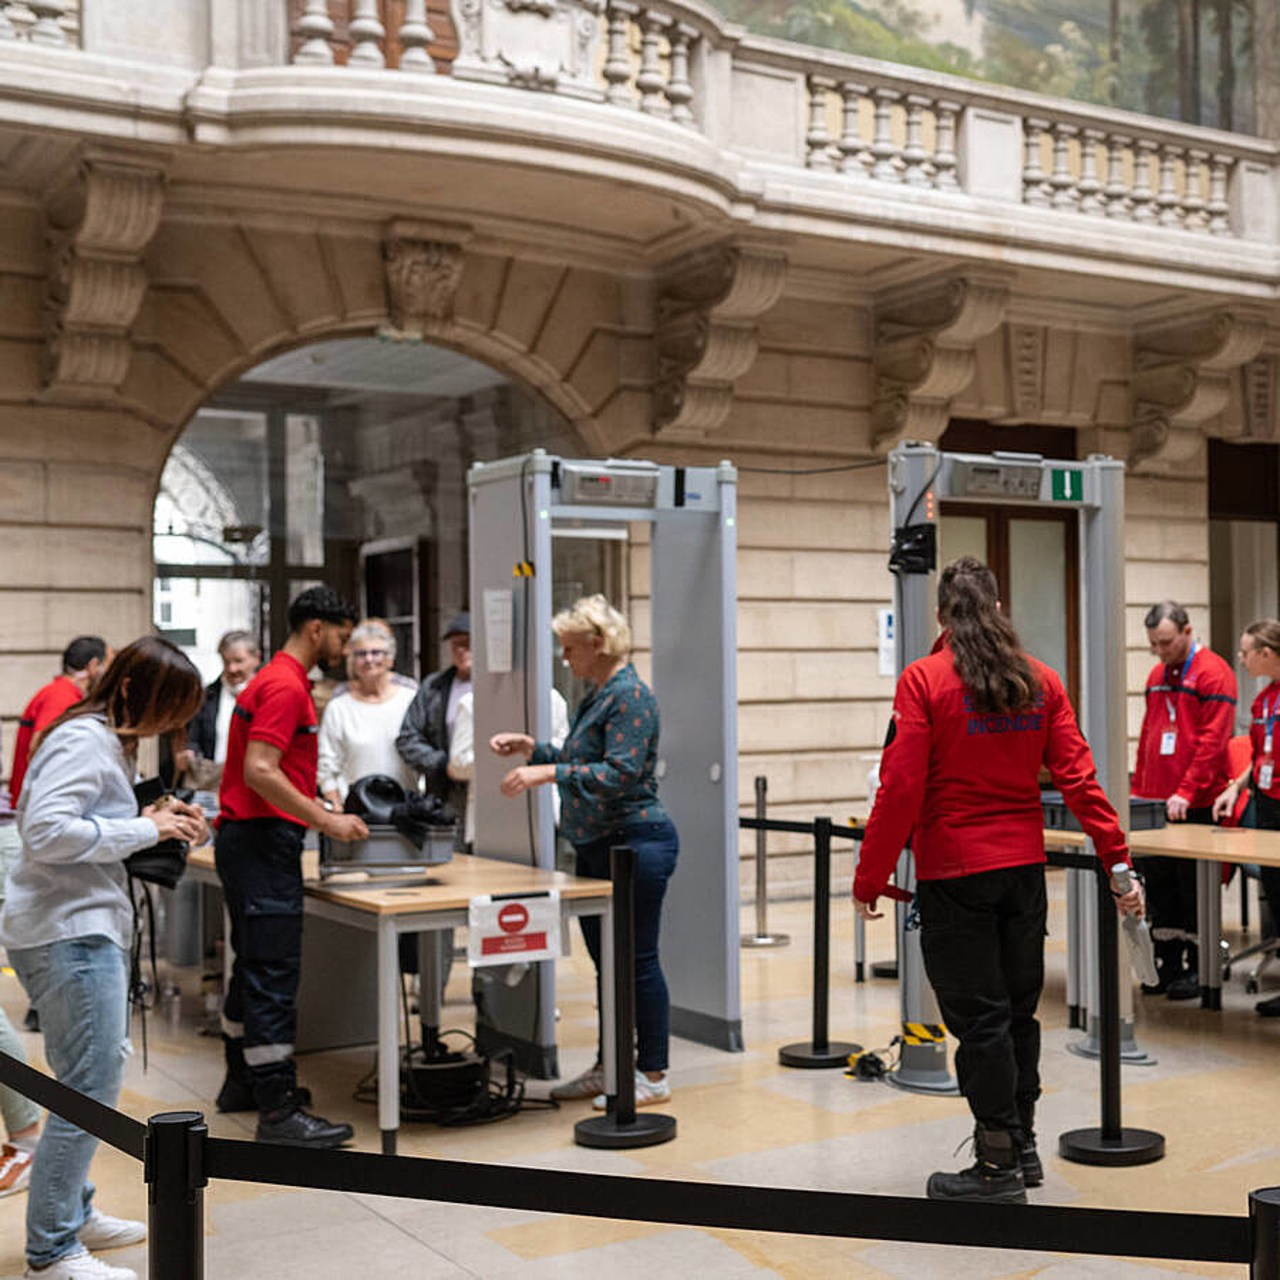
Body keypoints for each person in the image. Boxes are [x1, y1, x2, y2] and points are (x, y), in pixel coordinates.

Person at [852, 557, 1143, 1204]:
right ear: (998, 609)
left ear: (940, 615)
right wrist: (1118, 863)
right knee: (1017, 1014)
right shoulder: (1039, 680)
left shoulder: (923, 681)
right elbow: (1080, 781)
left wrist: (869, 877)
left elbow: (900, 788)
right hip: (1022, 874)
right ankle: (1024, 1144)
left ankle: (996, 1166)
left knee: (980, 1023)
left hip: (956, 875)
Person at [0, 636, 208, 1280]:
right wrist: (149, 828)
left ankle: (72, 1212)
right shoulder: (85, 739)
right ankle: (53, 1249)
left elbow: (81, 818)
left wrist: (155, 816)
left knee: (85, 1078)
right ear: (131, 690)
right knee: (87, 1087)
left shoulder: (103, 739)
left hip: (78, 926)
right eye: (168, 710)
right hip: (68, 931)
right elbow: (44, 830)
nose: (170, 726)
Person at [489, 594, 679, 1108]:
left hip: (635, 844)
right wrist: (534, 748)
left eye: (570, 648)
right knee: (609, 965)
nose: (565, 657)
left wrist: (547, 772)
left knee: (637, 961)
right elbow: (586, 757)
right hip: (600, 847)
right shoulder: (599, 694)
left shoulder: (630, 696)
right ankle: (610, 1065)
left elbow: (620, 772)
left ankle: (653, 1073)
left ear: (597, 644)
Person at [213, 586, 368, 1147]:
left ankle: (243, 1082)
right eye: (343, 637)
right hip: (261, 843)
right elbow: (260, 769)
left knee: (252, 966)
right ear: (316, 629)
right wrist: (327, 822)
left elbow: (272, 769)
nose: (345, 649)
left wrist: (313, 805)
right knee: (272, 975)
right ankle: (278, 1111)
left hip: (247, 840)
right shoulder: (284, 685)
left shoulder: (276, 680)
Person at [1131, 600, 1235, 999]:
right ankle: (1168, 962)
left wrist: (1186, 791)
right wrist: (1139, 789)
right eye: (1154, 644)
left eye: (1167, 643)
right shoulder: (1157, 675)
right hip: (1156, 800)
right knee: (1160, 888)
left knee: (1194, 889)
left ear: (1187, 632)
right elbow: (1149, 734)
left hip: (1197, 802)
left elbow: (1212, 743)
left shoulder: (1214, 673)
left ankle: (1200, 966)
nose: (1160, 651)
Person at [1213, 618, 1280, 1016]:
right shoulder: (1263, 701)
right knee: (1275, 889)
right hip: (1269, 803)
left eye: (1245, 652)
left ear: (1266, 653)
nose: (1241, 659)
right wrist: (1234, 788)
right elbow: (1258, 758)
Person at [448, 686, 569, 848]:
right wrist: (499, 760)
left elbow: (565, 758)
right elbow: (457, 765)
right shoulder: (471, 702)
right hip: (490, 819)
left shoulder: (552, 700)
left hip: (543, 819)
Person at [317, 619, 417, 807]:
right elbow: (326, 766)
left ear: (390, 658)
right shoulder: (339, 708)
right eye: (361, 654)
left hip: (405, 809)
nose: (369, 659)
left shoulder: (410, 699)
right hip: (356, 811)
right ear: (352, 661)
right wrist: (336, 806)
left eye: (376, 652)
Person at [9, 637, 113, 807]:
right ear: (93, 666)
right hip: (41, 805)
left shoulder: (62, 692)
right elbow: (38, 746)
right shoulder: (62, 695)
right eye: (110, 664)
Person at [396, 612, 472, 821]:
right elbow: (407, 738)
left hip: (488, 786)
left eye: (467, 643)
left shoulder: (499, 686)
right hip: (445, 792)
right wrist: (441, 764)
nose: (461, 650)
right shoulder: (434, 687)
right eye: (455, 644)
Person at [172, 629, 261, 790]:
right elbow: (193, 738)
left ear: (256, 658)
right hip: (212, 782)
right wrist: (190, 752)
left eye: (238, 661)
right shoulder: (206, 696)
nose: (232, 669)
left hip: (254, 782)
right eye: (226, 662)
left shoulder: (267, 696)